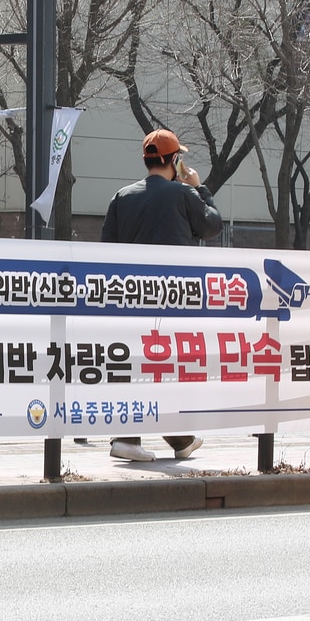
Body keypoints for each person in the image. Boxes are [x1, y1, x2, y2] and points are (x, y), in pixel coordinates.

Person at [101, 128, 224, 463]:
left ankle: (174, 437)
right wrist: (199, 188)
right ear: (174, 161)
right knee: (167, 364)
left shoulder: (121, 197)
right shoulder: (183, 195)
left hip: (129, 297)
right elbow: (213, 226)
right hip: (174, 298)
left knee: (137, 363)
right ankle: (153, 435)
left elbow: (106, 251)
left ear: (146, 160)